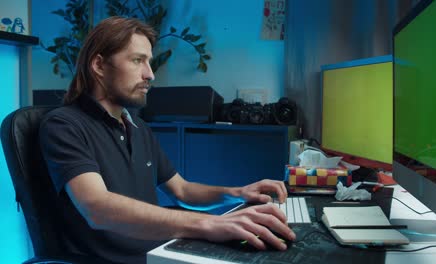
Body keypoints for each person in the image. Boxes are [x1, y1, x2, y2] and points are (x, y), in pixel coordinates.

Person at [39, 16, 295, 264]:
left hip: (163, 250)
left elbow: (182, 190)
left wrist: (237, 193)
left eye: (149, 62)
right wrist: (209, 223)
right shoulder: (64, 125)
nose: (150, 74)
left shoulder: (137, 126)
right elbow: (97, 207)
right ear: (98, 66)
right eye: (138, 60)